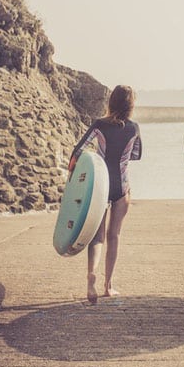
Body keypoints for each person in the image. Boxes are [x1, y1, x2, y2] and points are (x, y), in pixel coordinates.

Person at [68, 85, 142, 304]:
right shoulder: (134, 128)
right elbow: (136, 155)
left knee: (97, 236)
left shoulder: (100, 124)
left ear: (111, 102)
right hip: (122, 186)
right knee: (114, 235)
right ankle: (108, 286)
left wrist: (74, 176)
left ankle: (91, 277)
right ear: (131, 106)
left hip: (99, 186)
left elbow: (77, 150)